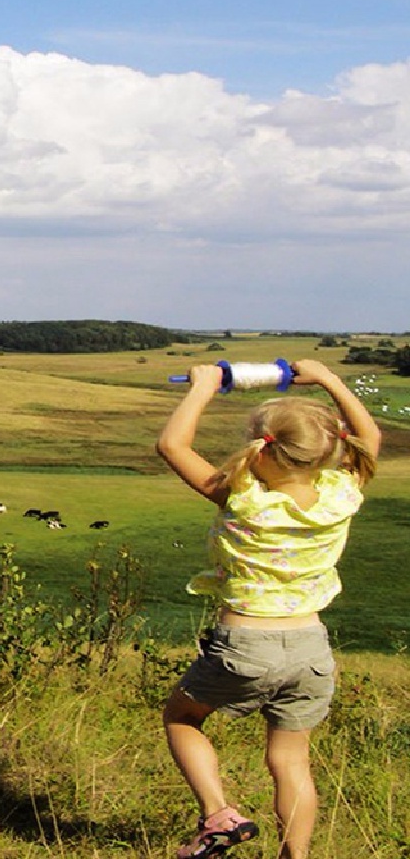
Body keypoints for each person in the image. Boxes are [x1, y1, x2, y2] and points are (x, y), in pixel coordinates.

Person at [156, 359, 381, 859]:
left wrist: (204, 387)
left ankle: (217, 815)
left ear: (261, 449)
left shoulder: (240, 498)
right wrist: (329, 380)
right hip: (311, 648)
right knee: (290, 760)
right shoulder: (341, 494)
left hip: (246, 641)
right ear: (330, 451)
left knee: (182, 718)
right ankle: (294, 856)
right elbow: (370, 439)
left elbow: (172, 446)